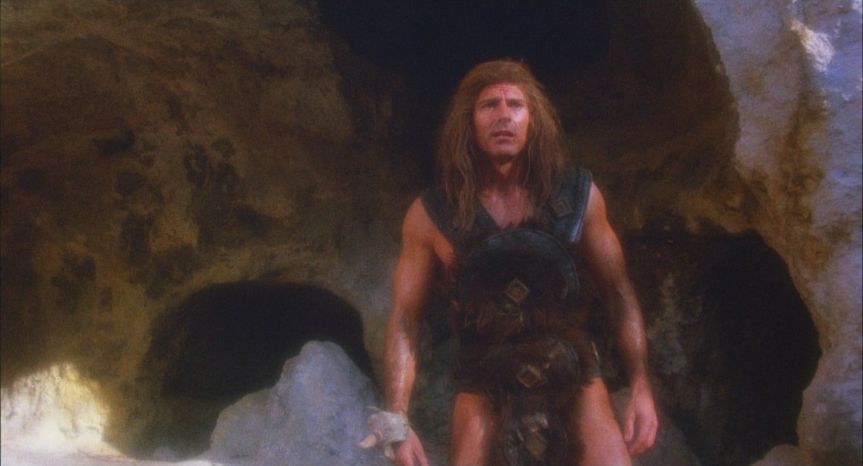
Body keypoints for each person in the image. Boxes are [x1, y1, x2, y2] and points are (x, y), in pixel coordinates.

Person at [383, 59, 657, 466]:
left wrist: (641, 387)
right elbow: (405, 318)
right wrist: (396, 419)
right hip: (483, 382)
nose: (503, 116)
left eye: (515, 104)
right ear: (469, 122)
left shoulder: (579, 198)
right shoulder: (431, 215)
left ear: (533, 120)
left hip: (574, 374)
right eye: (489, 105)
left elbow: (618, 292)